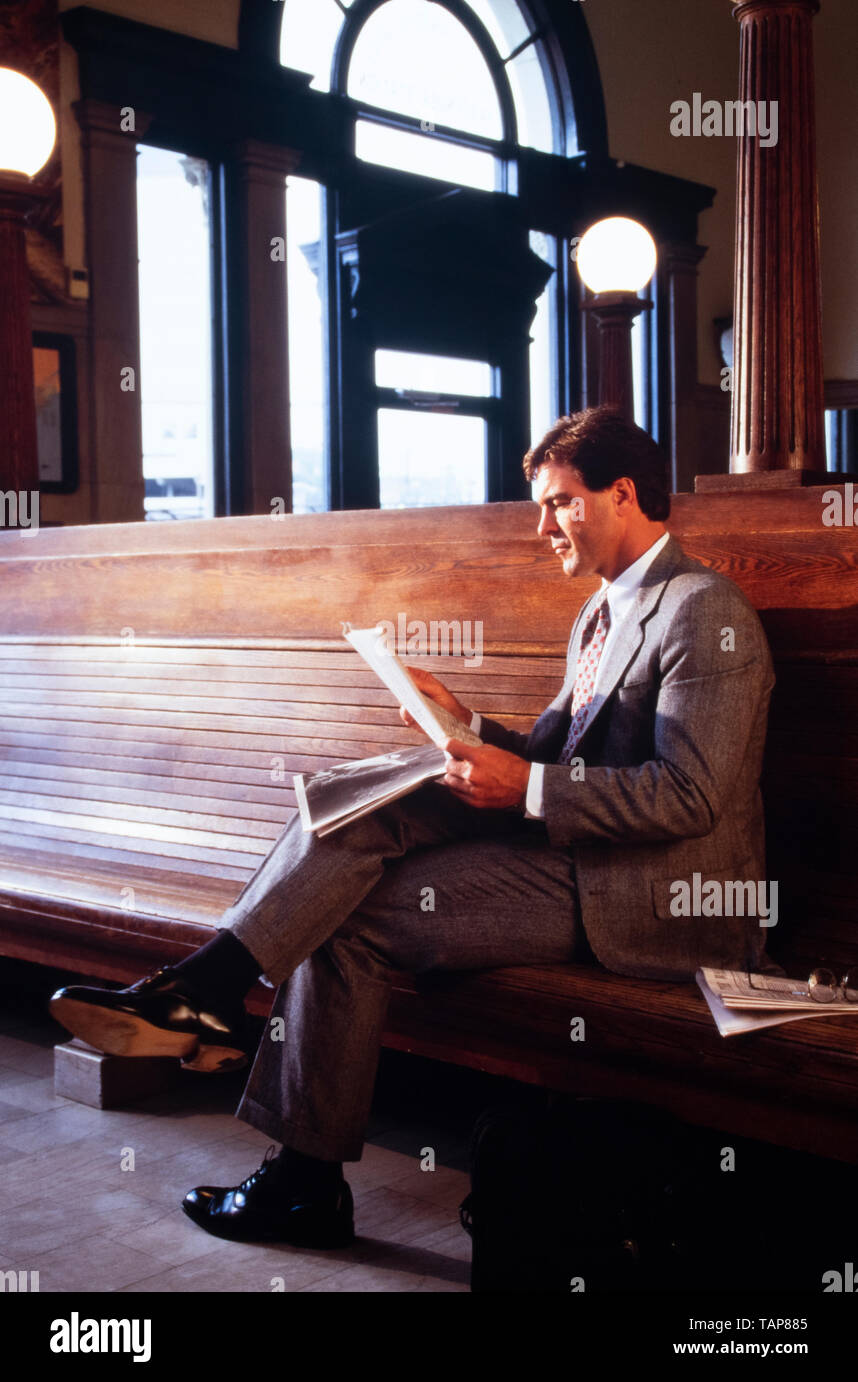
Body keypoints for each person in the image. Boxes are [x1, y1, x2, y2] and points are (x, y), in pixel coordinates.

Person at [49, 406, 775, 1249]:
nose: (541, 525)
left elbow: (690, 796)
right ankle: (216, 1012)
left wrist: (528, 784)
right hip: (576, 858)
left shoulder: (703, 610)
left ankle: (276, 1133)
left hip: (655, 898)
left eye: (558, 503)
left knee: (343, 920)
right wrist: (462, 723)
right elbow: (555, 751)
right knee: (367, 794)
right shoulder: (603, 612)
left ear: (621, 494)